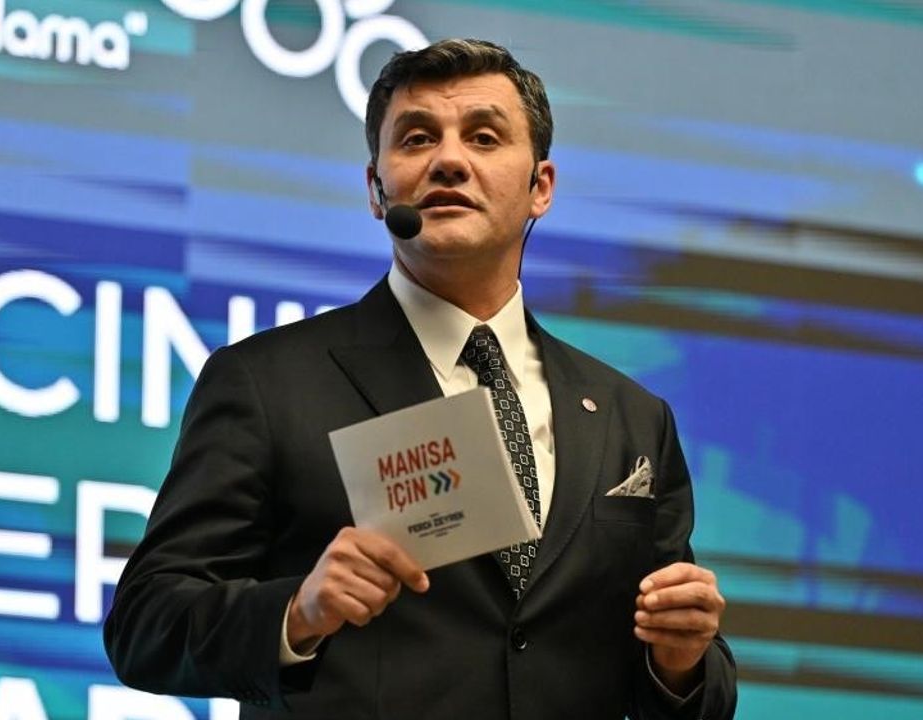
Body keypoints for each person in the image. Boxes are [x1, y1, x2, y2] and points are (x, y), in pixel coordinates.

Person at [104, 38, 736, 720]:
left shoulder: (630, 416)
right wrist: (298, 611)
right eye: (416, 138)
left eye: (485, 137)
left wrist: (680, 661)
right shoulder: (267, 383)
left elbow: (683, 688)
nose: (449, 160)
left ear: (541, 187)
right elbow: (146, 623)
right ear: (376, 191)